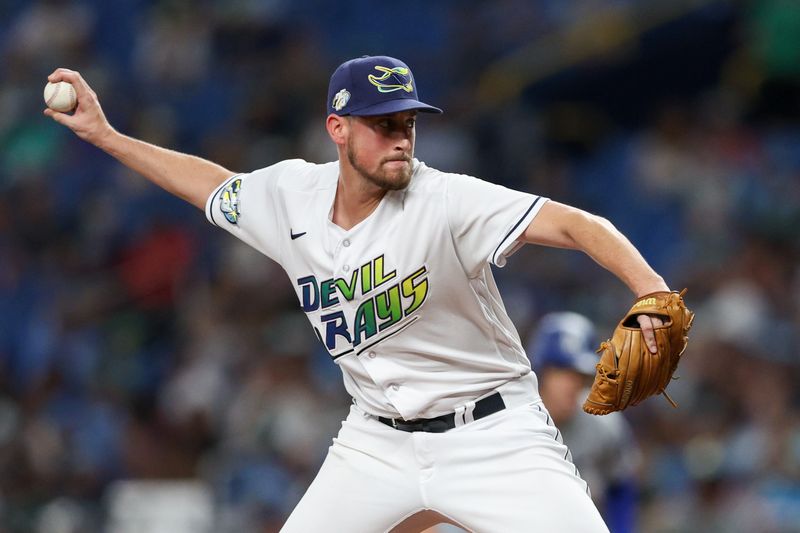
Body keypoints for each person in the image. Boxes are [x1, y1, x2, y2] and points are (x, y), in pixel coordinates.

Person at [45, 55, 669, 532]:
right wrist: (106, 136)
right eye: (382, 124)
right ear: (337, 130)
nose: (402, 136)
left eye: (409, 122)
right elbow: (213, 187)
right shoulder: (290, 196)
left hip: (493, 433)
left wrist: (654, 293)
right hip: (377, 442)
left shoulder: (445, 200)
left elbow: (580, 225)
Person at [527, 312, 640, 533]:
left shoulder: (602, 422)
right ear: (540, 372)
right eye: (561, 372)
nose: (571, 384)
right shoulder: (513, 422)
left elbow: (621, 486)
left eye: (579, 374)